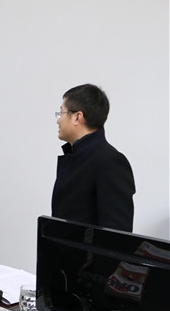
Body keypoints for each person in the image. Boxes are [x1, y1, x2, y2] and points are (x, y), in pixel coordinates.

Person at [52, 83, 135, 232]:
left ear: (77, 117)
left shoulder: (110, 162)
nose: (58, 120)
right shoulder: (76, 156)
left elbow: (116, 235)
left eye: (61, 113)